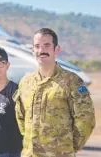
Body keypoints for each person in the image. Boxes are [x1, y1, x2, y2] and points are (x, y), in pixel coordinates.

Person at [13, 28, 95, 157]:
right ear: (33, 50)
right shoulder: (26, 82)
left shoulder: (72, 81)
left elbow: (86, 119)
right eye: (37, 46)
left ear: (56, 49)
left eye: (47, 45)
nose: (41, 50)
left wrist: (69, 147)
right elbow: (20, 117)